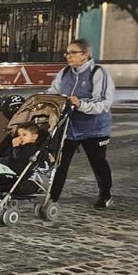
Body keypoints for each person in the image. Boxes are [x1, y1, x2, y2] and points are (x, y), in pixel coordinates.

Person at [48, 38, 114, 209]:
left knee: (98, 162)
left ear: (85, 55)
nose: (68, 56)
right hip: (69, 128)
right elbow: (53, 92)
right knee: (60, 164)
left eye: (73, 53)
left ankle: (105, 194)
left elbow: (104, 102)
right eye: (67, 53)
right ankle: (52, 198)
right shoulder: (64, 73)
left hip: (95, 129)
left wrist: (80, 104)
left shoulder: (98, 72)